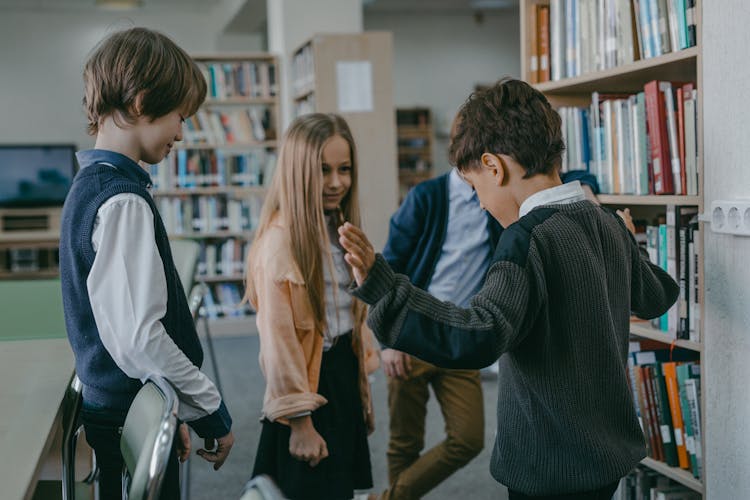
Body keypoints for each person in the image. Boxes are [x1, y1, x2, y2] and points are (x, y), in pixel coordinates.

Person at [339, 78, 679, 499]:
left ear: (494, 167)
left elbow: (479, 334)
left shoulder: (525, 239)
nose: (481, 203)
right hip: (605, 459)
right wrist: (630, 242)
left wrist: (383, 288)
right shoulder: (604, 222)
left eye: (477, 187)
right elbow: (657, 295)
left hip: (548, 466)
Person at [59, 27, 234, 499]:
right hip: (123, 414)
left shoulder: (90, 184)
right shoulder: (122, 203)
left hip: (128, 404)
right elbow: (140, 338)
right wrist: (208, 408)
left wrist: (166, 402)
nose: (181, 131)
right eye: (180, 116)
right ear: (139, 103)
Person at [245, 113, 379, 500]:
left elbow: (353, 315)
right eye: (322, 170)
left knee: (337, 489)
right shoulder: (280, 243)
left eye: (344, 169)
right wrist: (300, 422)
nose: (336, 182)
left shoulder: (338, 227)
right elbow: (279, 344)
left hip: (340, 376)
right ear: (297, 172)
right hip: (306, 389)